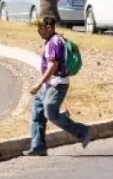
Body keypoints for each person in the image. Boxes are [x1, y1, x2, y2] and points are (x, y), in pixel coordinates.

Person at [24, 15, 91, 156]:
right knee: (37, 112)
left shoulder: (54, 42)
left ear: (49, 28)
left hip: (57, 85)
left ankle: (82, 131)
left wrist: (38, 84)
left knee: (50, 113)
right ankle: (38, 146)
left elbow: (53, 65)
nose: (38, 31)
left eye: (40, 28)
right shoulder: (52, 40)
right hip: (49, 85)